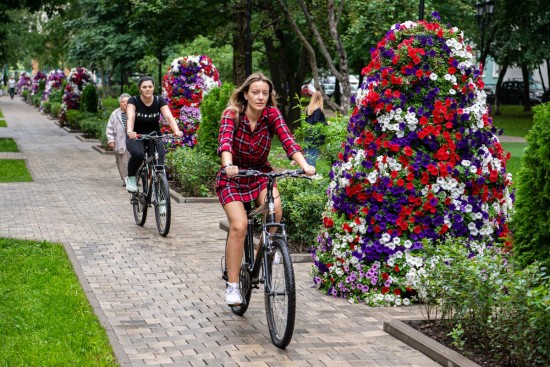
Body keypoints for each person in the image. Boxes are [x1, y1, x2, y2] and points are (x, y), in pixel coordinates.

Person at [216, 72, 316, 306]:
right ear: (246, 94)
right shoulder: (233, 114)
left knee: (275, 210)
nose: (260, 97)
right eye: (255, 92)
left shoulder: (271, 114)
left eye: (265, 93)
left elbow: (288, 139)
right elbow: (225, 143)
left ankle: (267, 251)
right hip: (233, 177)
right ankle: (232, 286)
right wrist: (228, 165)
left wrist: (305, 165)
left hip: (261, 173)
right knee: (239, 226)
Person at [125, 76, 183, 192]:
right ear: (140, 89)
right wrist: (130, 131)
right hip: (136, 136)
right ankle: (131, 178)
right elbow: (130, 116)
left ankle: (160, 191)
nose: (147, 89)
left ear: (154, 88)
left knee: (159, 163)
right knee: (139, 154)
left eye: (150, 86)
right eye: (144, 87)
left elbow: (168, 116)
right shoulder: (134, 100)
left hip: (154, 136)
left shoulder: (159, 100)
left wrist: (176, 130)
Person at [106, 93, 131, 185]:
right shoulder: (115, 114)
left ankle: (133, 178)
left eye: (127, 101)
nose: (125, 103)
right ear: (120, 103)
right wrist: (111, 140)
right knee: (122, 162)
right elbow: (109, 128)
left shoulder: (134, 112)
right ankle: (125, 179)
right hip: (120, 141)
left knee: (133, 160)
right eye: (123, 101)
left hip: (132, 140)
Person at [303, 91, 327, 166]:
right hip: (315, 135)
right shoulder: (318, 109)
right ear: (320, 99)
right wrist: (326, 123)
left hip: (308, 133)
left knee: (307, 153)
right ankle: (311, 172)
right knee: (313, 154)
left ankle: (305, 170)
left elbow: (306, 121)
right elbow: (316, 121)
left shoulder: (308, 109)